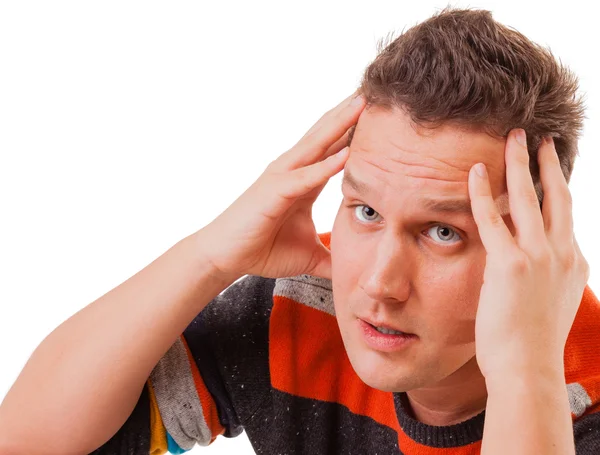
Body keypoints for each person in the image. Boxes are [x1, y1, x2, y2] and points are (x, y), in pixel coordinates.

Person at [0, 6, 598, 454]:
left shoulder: (580, 389)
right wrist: (209, 256)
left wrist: (527, 370)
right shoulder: (304, 304)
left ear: (537, 245)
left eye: (443, 232)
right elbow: (27, 440)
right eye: (365, 211)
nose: (379, 285)